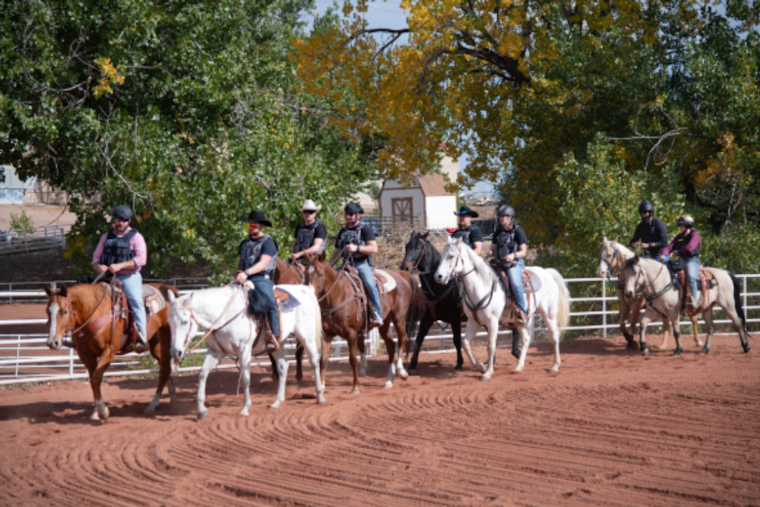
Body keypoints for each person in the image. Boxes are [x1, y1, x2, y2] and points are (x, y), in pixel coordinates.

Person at [92, 205, 149, 352]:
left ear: (129, 221)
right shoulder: (106, 237)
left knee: (136, 302)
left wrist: (120, 265)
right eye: (119, 220)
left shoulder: (136, 237)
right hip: (108, 276)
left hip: (129, 276)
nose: (121, 223)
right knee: (90, 298)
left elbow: (141, 259)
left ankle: (142, 337)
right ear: (114, 220)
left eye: (124, 220)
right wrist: (99, 267)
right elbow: (96, 259)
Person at [331, 202, 383, 327]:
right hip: (345, 265)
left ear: (358, 215)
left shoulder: (365, 229)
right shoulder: (343, 231)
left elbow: (373, 248)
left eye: (351, 214)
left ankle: (377, 313)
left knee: (370, 285)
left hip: (361, 264)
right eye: (347, 214)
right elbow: (337, 250)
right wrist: (330, 265)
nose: (348, 217)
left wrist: (357, 248)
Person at [235, 210, 280, 351]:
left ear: (261, 226)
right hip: (243, 277)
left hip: (261, 278)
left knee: (270, 302)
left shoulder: (268, 242)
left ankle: (273, 335)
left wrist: (246, 273)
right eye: (249, 224)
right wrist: (237, 274)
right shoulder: (244, 243)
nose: (250, 227)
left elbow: (263, 263)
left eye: (253, 225)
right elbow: (240, 262)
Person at [489, 205, 528, 323]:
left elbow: (523, 252)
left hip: (514, 264)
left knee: (515, 284)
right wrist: (491, 251)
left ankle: (522, 312)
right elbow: (492, 247)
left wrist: (513, 255)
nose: (502, 219)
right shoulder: (498, 232)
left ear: (510, 217)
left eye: (504, 216)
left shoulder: (518, 232)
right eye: (500, 216)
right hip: (499, 263)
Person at [660, 214, 701, 309]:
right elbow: (669, 247)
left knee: (690, 276)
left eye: (681, 225)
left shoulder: (695, 235)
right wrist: (664, 254)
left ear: (687, 226)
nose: (680, 227)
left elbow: (690, 248)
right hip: (682, 261)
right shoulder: (679, 237)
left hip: (692, 261)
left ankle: (694, 300)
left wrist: (678, 251)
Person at [291, 199, 327, 268]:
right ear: (303, 213)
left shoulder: (319, 227)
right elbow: (295, 243)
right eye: (305, 212)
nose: (308, 214)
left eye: (310, 212)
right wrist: (294, 255)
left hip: (315, 262)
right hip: (299, 261)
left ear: (315, 212)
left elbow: (316, 247)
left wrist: (299, 254)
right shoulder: (299, 226)